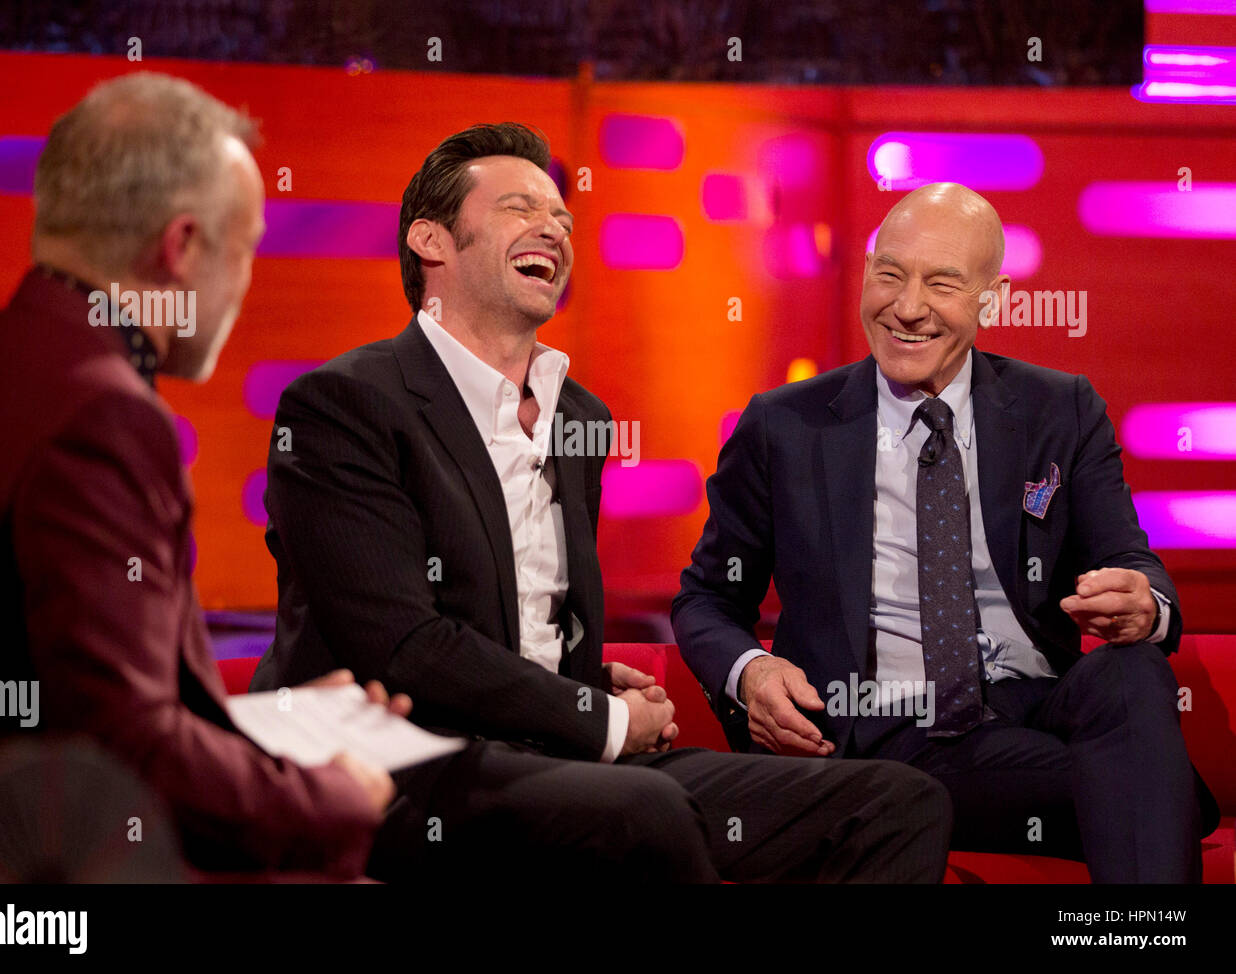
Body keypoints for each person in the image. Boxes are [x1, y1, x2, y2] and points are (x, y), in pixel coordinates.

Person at [250, 122, 953, 883]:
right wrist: (598, 716)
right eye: (521, 208)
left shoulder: (580, 418)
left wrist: (576, 685)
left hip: (554, 757)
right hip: (405, 768)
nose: (552, 227)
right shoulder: (345, 405)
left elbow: (524, 611)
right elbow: (403, 645)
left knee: (899, 801)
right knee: (636, 814)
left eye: (562, 218)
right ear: (431, 240)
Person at [673, 181, 1215, 883]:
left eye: (942, 284)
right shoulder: (785, 425)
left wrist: (1145, 604)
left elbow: (1126, 557)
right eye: (889, 274)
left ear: (993, 298)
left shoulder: (1061, 409)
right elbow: (708, 598)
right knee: (1162, 794)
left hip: (1032, 709)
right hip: (879, 726)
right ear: (866, 272)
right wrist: (751, 672)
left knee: (1132, 669)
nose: (906, 307)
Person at [0, 73, 397, 878]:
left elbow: (52, 689)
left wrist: (281, 720)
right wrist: (335, 796)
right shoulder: (103, 413)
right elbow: (124, 749)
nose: (245, 284)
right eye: (246, 246)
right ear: (181, 247)